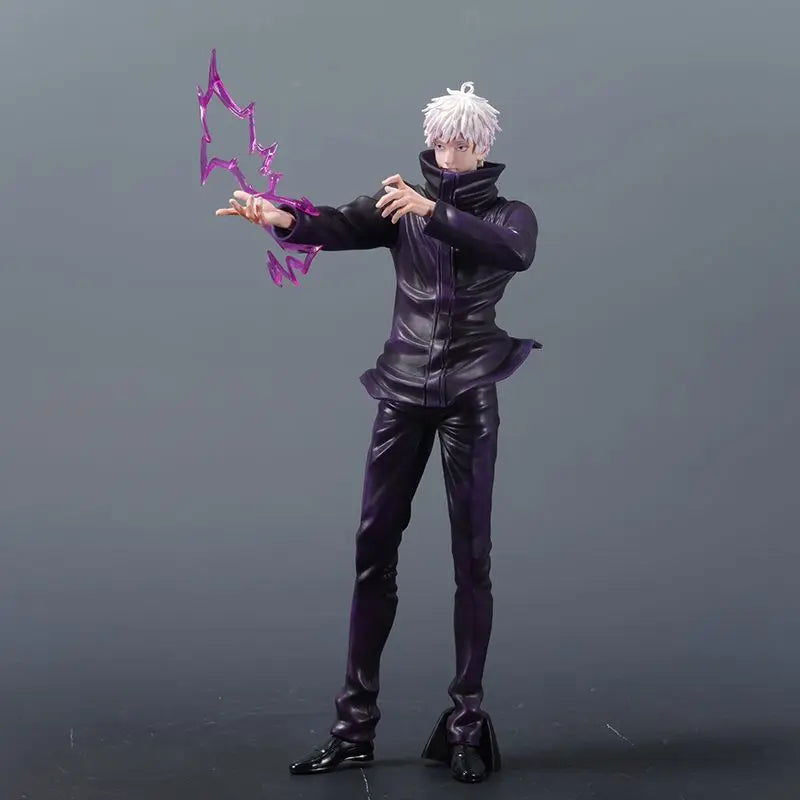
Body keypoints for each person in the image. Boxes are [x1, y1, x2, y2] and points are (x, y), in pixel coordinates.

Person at [215, 81, 540, 784]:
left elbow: (513, 252)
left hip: (469, 392)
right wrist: (280, 216)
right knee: (373, 549)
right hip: (401, 390)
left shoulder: (509, 214)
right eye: (441, 140)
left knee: (471, 558)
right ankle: (353, 727)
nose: (448, 152)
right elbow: (336, 223)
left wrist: (435, 211)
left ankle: (465, 724)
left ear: (483, 146)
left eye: (462, 142)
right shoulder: (400, 204)